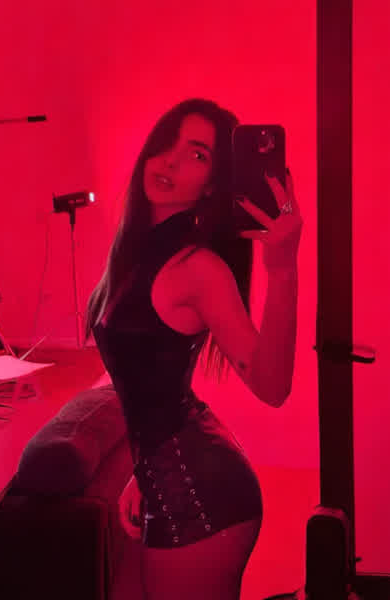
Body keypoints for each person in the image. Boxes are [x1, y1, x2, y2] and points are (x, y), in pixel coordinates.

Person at [84, 98, 302, 600]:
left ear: (211, 185)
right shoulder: (136, 252)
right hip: (162, 478)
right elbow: (149, 387)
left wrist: (284, 268)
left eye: (198, 154)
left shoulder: (198, 269)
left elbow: (272, 386)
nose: (171, 161)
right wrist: (142, 471)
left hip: (203, 497)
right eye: (168, 143)